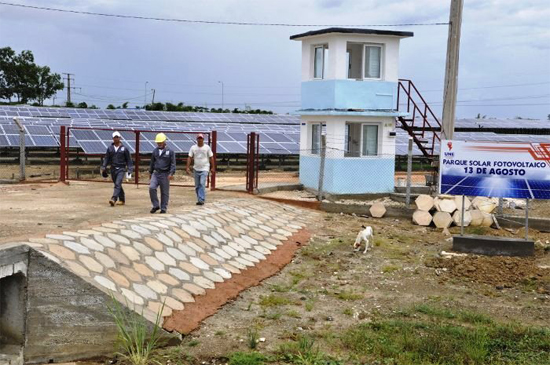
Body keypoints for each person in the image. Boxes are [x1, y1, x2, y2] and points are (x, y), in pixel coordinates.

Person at [100, 131, 133, 206]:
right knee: (117, 184)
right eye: (114, 137)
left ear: (120, 138)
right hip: (113, 169)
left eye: (117, 137)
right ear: (112, 138)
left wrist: (130, 170)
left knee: (117, 184)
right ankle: (122, 199)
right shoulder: (110, 148)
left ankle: (114, 199)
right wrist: (104, 167)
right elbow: (106, 158)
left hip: (121, 169)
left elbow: (129, 160)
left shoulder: (124, 149)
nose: (116, 139)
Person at [149, 133, 176, 214]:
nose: (159, 144)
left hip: (165, 174)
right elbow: (152, 162)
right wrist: (150, 172)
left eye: (160, 142)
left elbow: (173, 164)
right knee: (152, 188)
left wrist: (171, 173)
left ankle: (163, 208)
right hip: (156, 173)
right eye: (158, 142)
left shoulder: (170, 152)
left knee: (164, 192)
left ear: (164, 141)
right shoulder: (155, 151)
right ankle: (156, 205)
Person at [186, 133, 214, 205]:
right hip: (196, 168)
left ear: (203, 139)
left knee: (202, 183)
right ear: (197, 139)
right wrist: (187, 167)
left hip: (205, 168)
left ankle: (201, 199)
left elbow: (211, 157)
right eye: (199, 138)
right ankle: (199, 198)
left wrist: (213, 167)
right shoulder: (193, 148)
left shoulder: (207, 148)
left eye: (201, 138)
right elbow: (189, 157)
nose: (200, 140)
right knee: (197, 185)